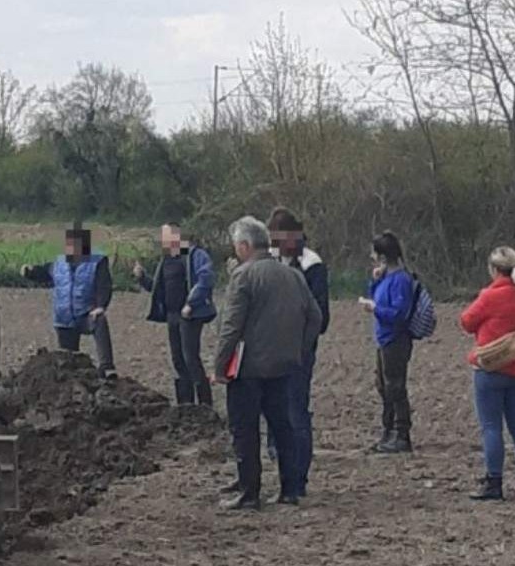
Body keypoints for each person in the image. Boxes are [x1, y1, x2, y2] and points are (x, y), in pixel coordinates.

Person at [213, 216, 322, 510]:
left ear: (245, 246)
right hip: (284, 365)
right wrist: (298, 349)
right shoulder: (293, 275)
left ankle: (249, 492)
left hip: (248, 368)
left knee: (245, 430)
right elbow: (315, 317)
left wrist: (219, 365)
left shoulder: (244, 276)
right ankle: (290, 489)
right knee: (283, 427)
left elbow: (231, 326)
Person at [460, 247, 515, 500]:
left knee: (491, 427)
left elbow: (466, 321)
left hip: (491, 368)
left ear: (494, 269)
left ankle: (494, 482)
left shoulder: (489, 295)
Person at [262, 207, 330, 496]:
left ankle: (298, 474)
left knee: (296, 410)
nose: (275, 245)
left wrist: (299, 343)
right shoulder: (273, 259)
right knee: (274, 408)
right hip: (273, 348)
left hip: (299, 351)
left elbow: (320, 316)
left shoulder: (312, 264)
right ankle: (280, 461)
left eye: (278, 239)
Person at [133, 224, 217, 406]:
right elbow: (157, 288)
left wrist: (191, 303)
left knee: (190, 358)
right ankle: (185, 404)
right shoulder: (166, 261)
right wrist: (142, 277)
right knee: (177, 360)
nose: (163, 241)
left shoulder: (195, 255)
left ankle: (205, 404)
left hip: (191, 315)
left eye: (166, 236)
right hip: (172, 316)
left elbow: (206, 279)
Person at [21, 224, 116, 377]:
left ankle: (107, 367)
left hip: (86, 314)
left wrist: (101, 306)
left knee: (100, 321)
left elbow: (104, 285)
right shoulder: (59, 263)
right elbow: (45, 272)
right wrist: (30, 272)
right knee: (68, 362)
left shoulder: (97, 262)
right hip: (64, 319)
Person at [359, 231, 415, 454]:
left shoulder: (401, 280)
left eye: (374, 253)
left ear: (382, 256)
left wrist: (375, 309)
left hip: (396, 340)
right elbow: (378, 297)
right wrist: (375, 281)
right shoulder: (387, 278)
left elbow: (399, 313)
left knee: (395, 387)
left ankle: (401, 434)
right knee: (384, 386)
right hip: (384, 339)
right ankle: (388, 431)